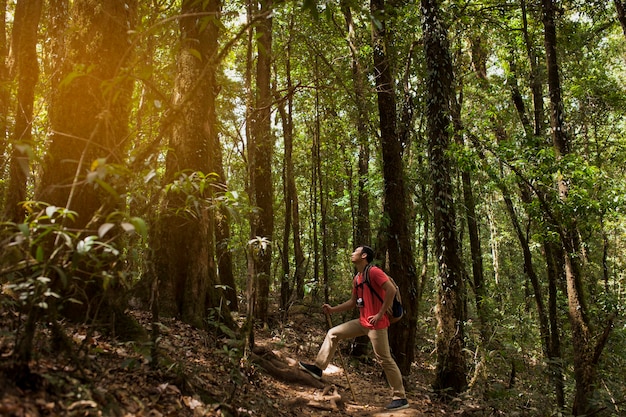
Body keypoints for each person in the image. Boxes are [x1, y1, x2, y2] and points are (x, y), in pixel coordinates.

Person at [299, 245, 409, 411]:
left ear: (363, 255)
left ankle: (400, 397)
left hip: (376, 325)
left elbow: (391, 290)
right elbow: (353, 302)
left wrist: (379, 314)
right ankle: (318, 368)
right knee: (333, 333)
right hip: (362, 322)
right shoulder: (357, 278)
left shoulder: (374, 272)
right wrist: (332, 309)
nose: (352, 253)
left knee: (385, 359)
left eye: (355, 251)